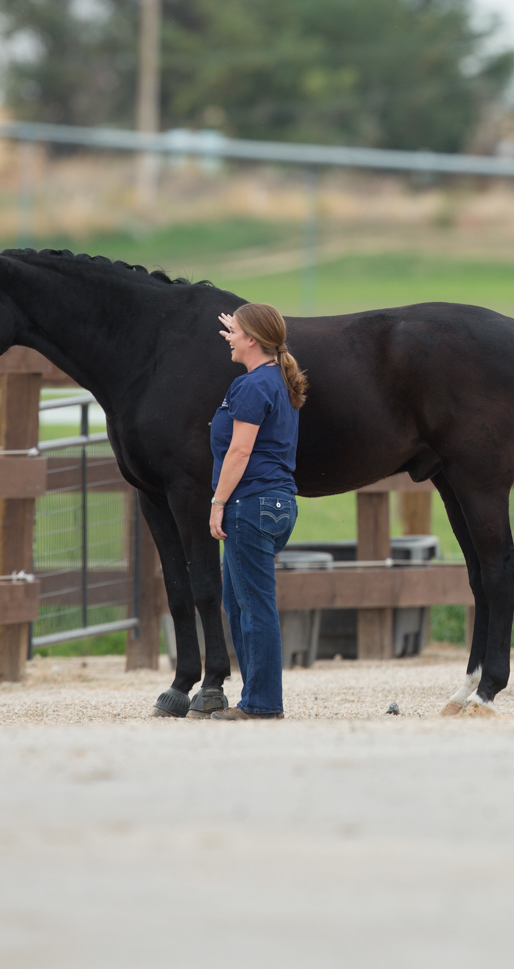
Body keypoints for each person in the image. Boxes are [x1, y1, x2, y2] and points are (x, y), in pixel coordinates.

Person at [207, 302, 307, 720]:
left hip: (250, 504)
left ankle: (263, 704)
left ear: (253, 340)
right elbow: (257, 336)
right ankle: (255, 697)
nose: (228, 340)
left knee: (255, 605)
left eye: (236, 334)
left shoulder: (250, 387)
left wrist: (217, 503)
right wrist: (242, 326)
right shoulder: (275, 379)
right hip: (278, 504)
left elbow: (241, 449)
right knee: (239, 601)